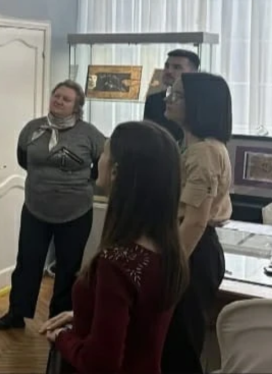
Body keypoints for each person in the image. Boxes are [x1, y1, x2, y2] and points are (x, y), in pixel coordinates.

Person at [40, 121, 190, 374]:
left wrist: (62, 337)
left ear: (116, 171)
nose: (98, 159)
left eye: (104, 153)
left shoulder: (117, 263)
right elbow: (140, 324)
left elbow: (101, 363)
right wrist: (84, 316)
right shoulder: (169, 250)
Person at [0, 80, 106, 330]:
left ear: (77, 107)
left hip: (75, 212)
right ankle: (17, 313)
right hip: (36, 209)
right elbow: (23, 159)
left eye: (66, 99)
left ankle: (58, 321)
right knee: (27, 263)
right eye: (56, 96)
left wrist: (78, 182)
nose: (59, 101)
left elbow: (102, 165)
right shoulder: (33, 129)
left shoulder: (89, 134)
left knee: (68, 268)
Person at [161, 72, 233, 373]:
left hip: (191, 249)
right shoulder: (191, 146)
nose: (168, 99)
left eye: (177, 96)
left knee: (180, 347)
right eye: (170, 93)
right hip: (187, 244)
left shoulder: (204, 152)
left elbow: (194, 221)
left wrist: (168, 268)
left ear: (199, 104)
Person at [143, 50, 200, 143]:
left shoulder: (199, 102)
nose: (169, 71)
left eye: (177, 67)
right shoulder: (153, 100)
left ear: (193, 72)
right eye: (167, 66)